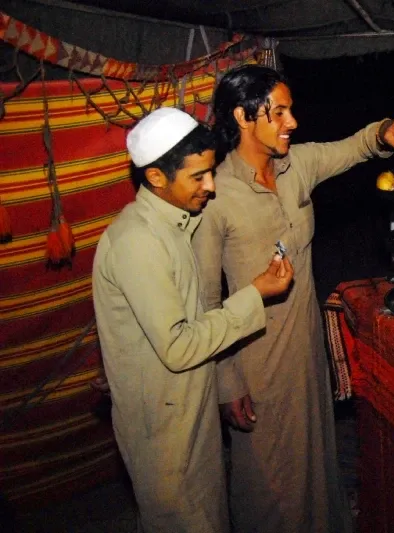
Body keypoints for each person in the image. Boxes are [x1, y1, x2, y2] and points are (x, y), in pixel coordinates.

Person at [191, 64, 394, 533]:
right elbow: (205, 299)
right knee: (267, 475)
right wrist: (227, 381)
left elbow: (354, 147)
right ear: (243, 116)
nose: (291, 122)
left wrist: (383, 131)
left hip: (306, 347)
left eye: (290, 111)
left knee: (315, 456)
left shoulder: (297, 166)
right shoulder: (216, 195)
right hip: (255, 357)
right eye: (278, 113)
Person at [92, 107, 294, 533]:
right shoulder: (139, 242)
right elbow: (180, 346)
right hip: (164, 434)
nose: (211, 186)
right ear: (156, 178)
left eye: (211, 172)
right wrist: (254, 294)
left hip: (188, 414)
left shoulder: (174, 226)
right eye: (198, 177)